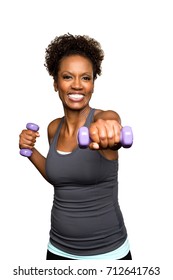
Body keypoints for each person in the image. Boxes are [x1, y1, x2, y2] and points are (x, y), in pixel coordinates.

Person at [19, 33, 132, 260]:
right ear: (55, 83)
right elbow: (59, 176)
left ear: (93, 84)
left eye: (86, 78)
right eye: (68, 77)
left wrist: (109, 127)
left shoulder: (101, 121)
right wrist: (30, 152)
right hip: (57, 249)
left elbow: (111, 121)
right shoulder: (53, 128)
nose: (77, 85)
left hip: (108, 254)